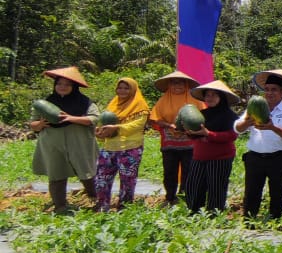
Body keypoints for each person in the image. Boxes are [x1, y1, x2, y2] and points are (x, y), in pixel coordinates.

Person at [29, 66, 99, 213]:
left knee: (86, 173)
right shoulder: (45, 103)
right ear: (55, 86)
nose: (62, 87)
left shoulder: (85, 102)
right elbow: (33, 124)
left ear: (74, 87)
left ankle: (94, 197)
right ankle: (60, 206)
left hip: (79, 142)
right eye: (59, 84)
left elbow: (94, 118)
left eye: (67, 85)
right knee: (56, 174)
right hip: (52, 144)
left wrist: (71, 118)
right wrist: (40, 124)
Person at [236, 70, 282, 220]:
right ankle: (249, 220)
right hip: (254, 158)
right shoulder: (254, 107)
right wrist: (247, 122)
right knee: (251, 191)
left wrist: (273, 127)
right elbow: (237, 128)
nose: (269, 93)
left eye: (274, 90)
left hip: (278, 158)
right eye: (267, 89)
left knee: (277, 191)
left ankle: (275, 220)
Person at [93, 77, 150, 212]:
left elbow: (137, 125)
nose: (122, 91)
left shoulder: (140, 105)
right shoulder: (113, 104)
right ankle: (102, 205)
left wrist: (117, 127)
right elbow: (104, 123)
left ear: (133, 89)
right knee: (102, 178)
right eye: (120, 88)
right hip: (109, 147)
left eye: (126, 88)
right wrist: (100, 132)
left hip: (130, 148)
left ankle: (124, 208)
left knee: (127, 180)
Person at [149, 70, 205, 206]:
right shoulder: (163, 100)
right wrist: (169, 125)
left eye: (180, 82)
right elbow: (155, 119)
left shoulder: (195, 100)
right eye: (174, 83)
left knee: (189, 169)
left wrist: (190, 127)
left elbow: (202, 117)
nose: (177, 85)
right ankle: (170, 197)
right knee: (169, 170)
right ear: (169, 85)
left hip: (190, 141)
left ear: (186, 85)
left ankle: (185, 196)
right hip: (169, 142)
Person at [184, 80, 240, 215]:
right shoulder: (201, 114)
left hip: (220, 157)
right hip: (199, 155)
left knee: (216, 186)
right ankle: (194, 212)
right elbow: (195, 135)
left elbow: (231, 136)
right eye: (207, 95)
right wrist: (190, 133)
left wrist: (208, 134)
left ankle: (214, 214)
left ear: (221, 98)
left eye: (214, 95)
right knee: (194, 185)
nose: (210, 98)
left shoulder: (230, 116)